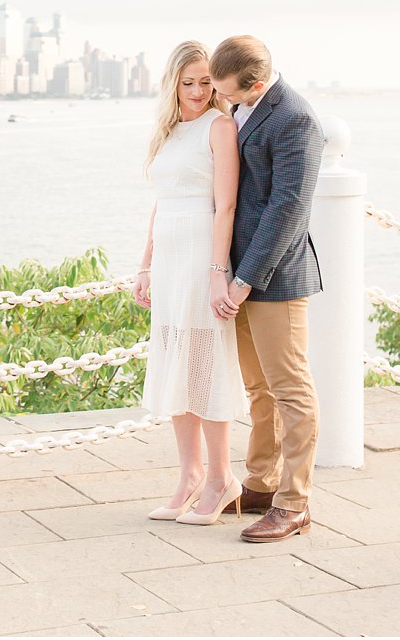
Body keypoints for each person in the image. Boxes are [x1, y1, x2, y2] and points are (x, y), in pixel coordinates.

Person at [208, 34, 324, 543]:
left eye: (230, 93)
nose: (223, 99)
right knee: (258, 389)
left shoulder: (296, 119)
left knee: (290, 389)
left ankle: (295, 503)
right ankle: (261, 482)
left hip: (275, 276)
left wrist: (243, 280)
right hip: (241, 276)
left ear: (255, 83)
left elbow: (286, 213)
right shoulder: (245, 103)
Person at [134, 40, 246, 526]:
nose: (199, 91)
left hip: (203, 254)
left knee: (206, 364)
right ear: (173, 83)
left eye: (206, 82)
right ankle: (189, 475)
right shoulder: (167, 131)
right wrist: (144, 265)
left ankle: (223, 478)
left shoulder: (219, 128)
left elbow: (226, 205)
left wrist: (218, 272)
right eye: (189, 82)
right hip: (169, 257)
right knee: (177, 361)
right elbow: (162, 201)